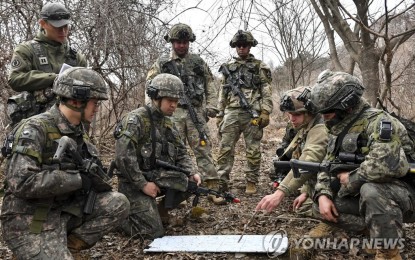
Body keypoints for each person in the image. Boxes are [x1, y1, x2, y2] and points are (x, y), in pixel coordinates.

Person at [0, 67, 130, 259]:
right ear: (77, 100)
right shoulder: (35, 129)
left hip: (63, 209)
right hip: (30, 218)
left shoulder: (78, 132)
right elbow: (20, 182)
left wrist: (95, 179)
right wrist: (76, 179)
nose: (97, 108)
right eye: (94, 102)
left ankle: (69, 247)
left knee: (118, 203)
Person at [306, 70, 415, 259]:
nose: (324, 117)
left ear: (345, 106)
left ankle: (388, 252)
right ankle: (378, 232)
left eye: (328, 112)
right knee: (319, 204)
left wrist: (350, 178)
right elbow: (328, 162)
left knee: (371, 190)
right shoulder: (338, 127)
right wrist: (323, 193)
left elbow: (384, 165)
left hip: (407, 193)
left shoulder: (380, 122)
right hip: (379, 194)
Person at [114, 73, 202, 239]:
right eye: (170, 101)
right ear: (156, 97)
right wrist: (143, 184)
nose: (174, 106)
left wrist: (192, 171)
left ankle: (161, 212)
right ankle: (119, 220)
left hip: (156, 177)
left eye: (176, 102)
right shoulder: (136, 120)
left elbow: (181, 152)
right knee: (154, 233)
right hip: (133, 184)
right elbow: (123, 157)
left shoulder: (167, 122)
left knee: (191, 182)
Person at [146, 23, 223, 204]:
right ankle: (177, 191)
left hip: (195, 113)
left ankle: (213, 188)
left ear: (189, 42)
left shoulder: (197, 62)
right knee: (171, 152)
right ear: (172, 42)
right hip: (171, 114)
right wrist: (153, 112)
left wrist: (211, 107)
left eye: (185, 42)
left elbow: (210, 85)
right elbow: (150, 87)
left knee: (204, 149)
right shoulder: (162, 63)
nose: (181, 45)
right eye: (178, 42)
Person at [7, 2, 87, 126]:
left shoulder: (76, 58)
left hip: (69, 126)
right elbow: (15, 79)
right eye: (57, 27)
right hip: (33, 125)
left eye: (66, 26)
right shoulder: (26, 50)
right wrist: (54, 78)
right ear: (43, 24)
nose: (63, 31)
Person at [256, 86, 328, 217]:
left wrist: (280, 193)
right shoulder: (305, 124)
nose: (292, 119)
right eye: (290, 114)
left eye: (297, 114)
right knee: (301, 206)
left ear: (311, 111)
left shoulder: (320, 129)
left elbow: (308, 160)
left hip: (335, 182)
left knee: (311, 208)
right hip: (320, 179)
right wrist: (306, 191)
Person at [216, 30, 273, 194]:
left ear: (250, 46)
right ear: (235, 47)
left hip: (252, 114)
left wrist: (266, 111)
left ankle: (251, 181)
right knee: (225, 148)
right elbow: (223, 92)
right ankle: (221, 182)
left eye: (245, 45)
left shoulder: (259, 67)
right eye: (239, 46)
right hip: (232, 112)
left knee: (253, 149)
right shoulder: (227, 68)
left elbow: (266, 90)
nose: (241, 48)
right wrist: (220, 113)